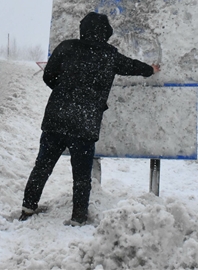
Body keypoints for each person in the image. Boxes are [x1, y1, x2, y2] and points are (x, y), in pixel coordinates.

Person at [20, 12, 161, 226]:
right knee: (82, 175)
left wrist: (64, 91)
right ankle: (78, 216)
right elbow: (132, 66)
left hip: (56, 118)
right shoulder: (109, 55)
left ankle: (28, 207)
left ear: (83, 29)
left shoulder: (66, 47)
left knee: (42, 166)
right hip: (83, 123)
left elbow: (48, 75)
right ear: (105, 33)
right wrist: (150, 69)